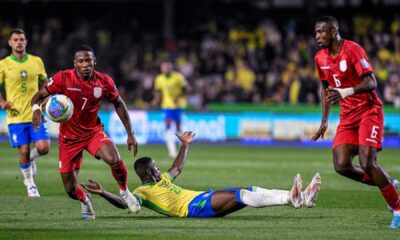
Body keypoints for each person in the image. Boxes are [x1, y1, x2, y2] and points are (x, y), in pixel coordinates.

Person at [81, 131, 321, 218]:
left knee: (251, 191)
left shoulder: (163, 179)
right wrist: (103, 192)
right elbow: (125, 205)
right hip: (192, 209)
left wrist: (185, 145)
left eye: (156, 166)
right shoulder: (142, 192)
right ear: (144, 172)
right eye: (153, 167)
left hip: (199, 198)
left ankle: (298, 198)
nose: (158, 169)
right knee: (241, 194)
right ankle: (290, 199)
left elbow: (177, 167)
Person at [31, 45, 140, 220]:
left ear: (94, 61)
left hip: (92, 132)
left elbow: (118, 103)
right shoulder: (63, 78)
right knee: (71, 189)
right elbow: (38, 96)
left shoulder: (104, 81)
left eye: (88, 60)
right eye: (81, 61)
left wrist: (130, 133)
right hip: (68, 139)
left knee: (114, 158)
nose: (85, 64)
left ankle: (125, 191)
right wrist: (36, 109)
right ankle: (86, 201)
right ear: (75, 63)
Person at [312, 16, 400, 228]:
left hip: (369, 111)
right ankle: (388, 184)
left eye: (321, 32)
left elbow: (371, 81)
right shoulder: (319, 58)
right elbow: (326, 89)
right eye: (316, 33)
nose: (317, 37)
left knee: (367, 163)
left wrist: (347, 91)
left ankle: (397, 208)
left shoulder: (353, 50)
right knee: (341, 165)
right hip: (348, 116)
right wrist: (324, 121)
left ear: (333, 31)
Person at [0, 28, 50, 198]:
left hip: (35, 113)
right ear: (10, 43)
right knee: (23, 151)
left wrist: (43, 104)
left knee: (44, 148)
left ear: (26, 42)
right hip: (15, 115)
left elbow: (45, 85)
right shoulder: (3, 64)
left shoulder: (37, 61)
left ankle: (32, 158)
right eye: (15, 39)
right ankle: (30, 184)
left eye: (22, 39)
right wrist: (2, 102)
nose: (19, 42)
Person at [152, 62, 188, 159]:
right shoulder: (159, 79)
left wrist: (178, 97)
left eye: (167, 68)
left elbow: (185, 89)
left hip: (178, 105)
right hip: (167, 105)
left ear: (170, 68)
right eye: (163, 68)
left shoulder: (178, 77)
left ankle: (183, 149)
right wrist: (156, 100)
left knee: (178, 127)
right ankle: (172, 152)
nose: (165, 70)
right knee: (167, 126)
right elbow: (159, 91)